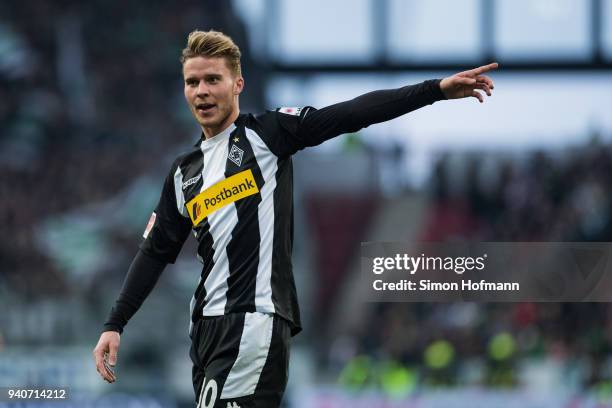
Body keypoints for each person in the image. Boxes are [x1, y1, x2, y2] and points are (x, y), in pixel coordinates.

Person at [93, 29, 497, 407]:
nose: (201, 91)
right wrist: (116, 323)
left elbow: (349, 114)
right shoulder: (184, 173)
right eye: (192, 82)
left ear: (237, 85)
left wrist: (435, 91)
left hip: (253, 323)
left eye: (213, 79)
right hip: (205, 331)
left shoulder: (267, 134)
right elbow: (154, 252)